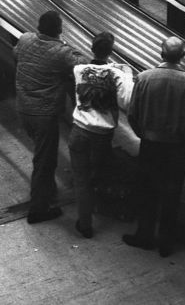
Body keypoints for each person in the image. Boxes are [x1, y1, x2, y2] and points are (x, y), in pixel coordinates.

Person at [123, 36, 185, 257]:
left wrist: (143, 134)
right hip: (177, 146)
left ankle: (144, 235)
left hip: (151, 144)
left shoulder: (144, 78)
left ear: (161, 53)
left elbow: (132, 114)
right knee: (172, 192)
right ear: (183, 56)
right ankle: (166, 241)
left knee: (147, 190)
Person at [15, 10, 91, 225]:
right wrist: (66, 44)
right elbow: (82, 63)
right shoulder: (60, 52)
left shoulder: (25, 39)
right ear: (58, 31)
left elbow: (16, 53)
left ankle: (47, 192)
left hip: (23, 108)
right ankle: (38, 209)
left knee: (41, 153)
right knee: (44, 161)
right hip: (44, 114)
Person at [70, 32, 133, 238]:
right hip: (101, 135)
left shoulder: (79, 69)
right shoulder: (117, 75)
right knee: (97, 173)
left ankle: (84, 223)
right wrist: (127, 74)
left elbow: (94, 70)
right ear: (111, 51)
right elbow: (127, 101)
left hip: (79, 130)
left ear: (91, 48)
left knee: (81, 178)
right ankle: (104, 207)